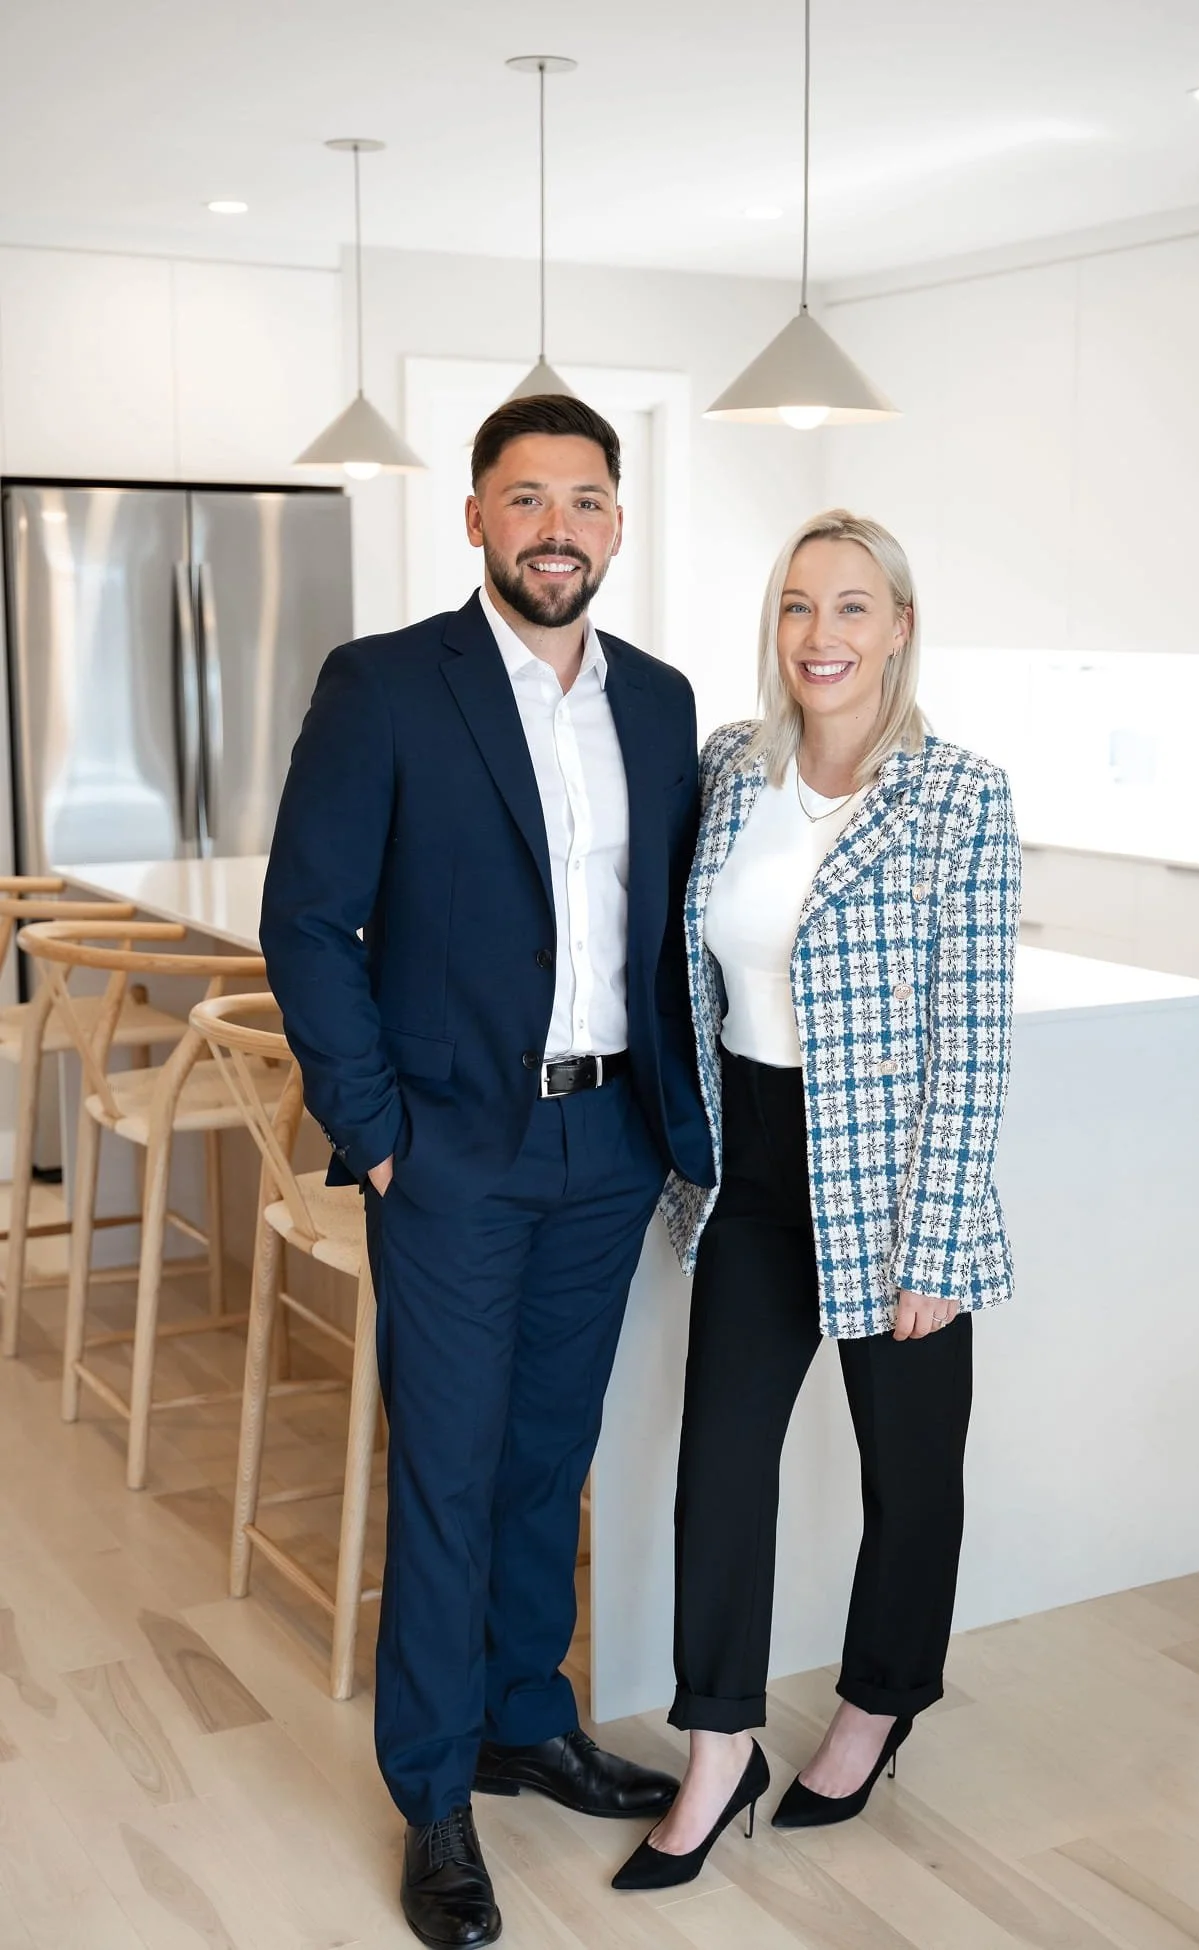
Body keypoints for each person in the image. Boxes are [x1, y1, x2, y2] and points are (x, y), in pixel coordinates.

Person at [261, 393, 714, 1948]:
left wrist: (673, 1122)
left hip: (610, 1140)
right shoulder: (387, 685)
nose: (557, 529)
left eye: (587, 500)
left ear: (619, 523)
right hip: (452, 1147)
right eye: (527, 500)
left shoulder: (659, 702)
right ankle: (436, 1790)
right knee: (448, 1472)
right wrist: (380, 1135)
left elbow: (663, 927)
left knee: (547, 1454)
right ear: (475, 517)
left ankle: (529, 1712)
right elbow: (308, 923)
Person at [613, 509, 1021, 1892]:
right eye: (798, 607)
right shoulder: (735, 768)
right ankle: (718, 1741)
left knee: (910, 1481)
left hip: (892, 1180)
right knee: (716, 1467)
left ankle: (879, 1697)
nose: (822, 636)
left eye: (853, 608)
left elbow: (975, 1036)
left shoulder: (959, 794)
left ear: (899, 626)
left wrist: (941, 1231)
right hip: (751, 1174)